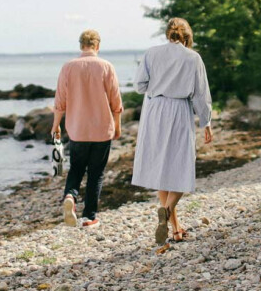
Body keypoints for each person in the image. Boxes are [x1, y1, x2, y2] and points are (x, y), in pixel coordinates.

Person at [131, 17, 213, 244]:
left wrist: (159, 86)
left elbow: (139, 86)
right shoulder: (193, 58)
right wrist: (206, 122)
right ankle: (167, 214)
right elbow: (200, 95)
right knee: (181, 165)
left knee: (161, 166)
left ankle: (173, 225)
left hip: (155, 111)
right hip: (178, 110)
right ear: (187, 36)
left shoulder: (151, 53)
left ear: (167, 33)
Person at [52, 29, 123, 229]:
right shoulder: (106, 66)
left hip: (77, 130)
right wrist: (117, 126)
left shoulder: (68, 67)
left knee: (76, 168)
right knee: (96, 173)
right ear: (97, 46)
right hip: (102, 129)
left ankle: (70, 196)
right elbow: (115, 100)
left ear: (81, 45)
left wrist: (56, 124)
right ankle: (89, 216)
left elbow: (60, 100)